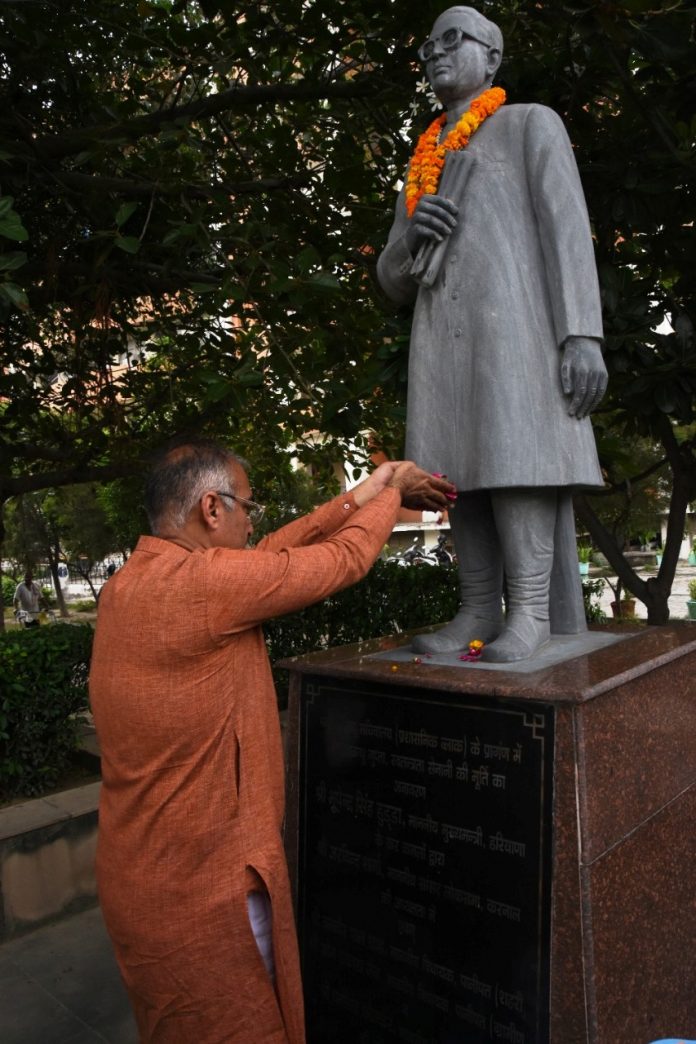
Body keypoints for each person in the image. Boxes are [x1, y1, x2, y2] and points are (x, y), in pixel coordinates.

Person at [89, 438, 454, 1044]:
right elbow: (343, 560)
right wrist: (393, 493)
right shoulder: (201, 589)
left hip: (141, 881)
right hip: (203, 897)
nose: (253, 520)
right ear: (212, 508)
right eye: (247, 506)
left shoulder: (133, 584)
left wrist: (366, 489)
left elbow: (267, 556)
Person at [377, 5, 608, 662]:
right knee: (457, 472)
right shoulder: (423, 159)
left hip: (516, 333)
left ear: (492, 56)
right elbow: (391, 277)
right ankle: (478, 606)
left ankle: (530, 611)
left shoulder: (528, 124)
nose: (436, 53)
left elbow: (567, 231)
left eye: (454, 39)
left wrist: (582, 335)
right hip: (439, 336)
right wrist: (412, 238)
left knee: (515, 462)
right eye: (429, 44)